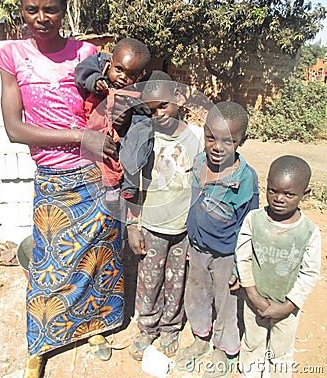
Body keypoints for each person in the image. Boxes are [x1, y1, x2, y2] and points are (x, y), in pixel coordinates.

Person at [0, 0, 125, 378]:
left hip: (93, 173)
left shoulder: (87, 54)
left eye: (51, 9)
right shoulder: (12, 57)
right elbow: (15, 128)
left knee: (100, 258)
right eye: (32, 9)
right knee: (50, 267)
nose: (41, 17)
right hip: (52, 177)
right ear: (22, 12)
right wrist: (78, 135)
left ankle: (95, 327)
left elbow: (108, 103)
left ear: (64, 11)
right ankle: (42, 342)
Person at [175, 102, 259, 377]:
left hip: (226, 255)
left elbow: (249, 224)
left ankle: (223, 348)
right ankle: (201, 338)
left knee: (225, 302)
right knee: (197, 294)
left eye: (228, 141)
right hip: (198, 247)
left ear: (241, 141)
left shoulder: (245, 179)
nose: (217, 146)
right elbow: (191, 202)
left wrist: (239, 264)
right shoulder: (199, 163)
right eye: (211, 137)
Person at [127, 71, 204, 360]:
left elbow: (203, 186)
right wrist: (133, 225)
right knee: (149, 279)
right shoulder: (144, 138)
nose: (158, 114)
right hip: (152, 225)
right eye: (150, 109)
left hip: (183, 229)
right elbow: (132, 185)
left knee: (176, 279)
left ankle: (171, 327)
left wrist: (196, 232)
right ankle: (147, 327)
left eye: (164, 106)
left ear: (179, 99)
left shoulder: (197, 139)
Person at [235, 155, 321, 378]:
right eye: (272, 190)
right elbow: (242, 257)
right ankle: (250, 372)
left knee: (281, 350)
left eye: (289, 194)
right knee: (253, 341)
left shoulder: (309, 232)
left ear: (305, 195)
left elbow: (310, 273)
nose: (279, 198)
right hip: (254, 301)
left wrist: (288, 306)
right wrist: (252, 294)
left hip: (287, 307)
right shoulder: (254, 220)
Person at [74, 38, 152, 206]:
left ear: (139, 77)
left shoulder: (137, 88)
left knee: (137, 143)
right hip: (94, 127)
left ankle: (127, 185)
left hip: (122, 130)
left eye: (130, 75)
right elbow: (82, 71)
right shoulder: (99, 63)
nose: (122, 77)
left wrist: (129, 112)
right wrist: (95, 81)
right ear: (110, 63)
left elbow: (142, 111)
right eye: (119, 69)